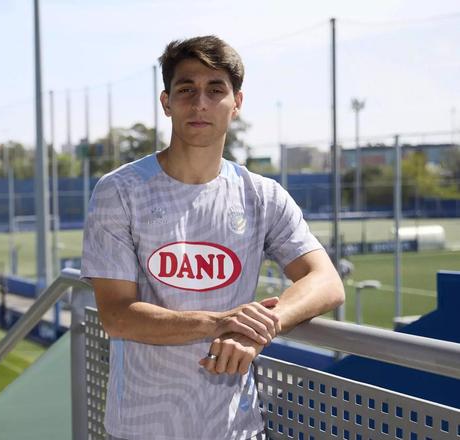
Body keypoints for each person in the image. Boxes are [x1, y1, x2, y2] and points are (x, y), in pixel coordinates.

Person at [81, 35, 345, 440]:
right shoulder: (119, 191)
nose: (200, 103)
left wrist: (260, 327)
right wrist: (220, 323)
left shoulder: (262, 195)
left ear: (236, 103)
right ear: (167, 102)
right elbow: (117, 316)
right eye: (186, 89)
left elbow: (325, 281)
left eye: (215, 90)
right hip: (142, 428)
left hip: (237, 429)